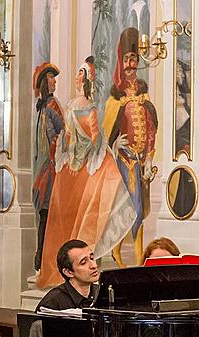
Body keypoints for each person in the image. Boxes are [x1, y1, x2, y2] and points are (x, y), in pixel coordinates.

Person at [36, 58, 135, 289]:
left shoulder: (75, 105)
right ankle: (83, 264)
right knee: (89, 207)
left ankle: (85, 265)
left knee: (85, 212)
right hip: (81, 166)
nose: (78, 77)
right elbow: (92, 138)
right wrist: (99, 150)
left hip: (74, 166)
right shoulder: (83, 106)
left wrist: (75, 154)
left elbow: (77, 137)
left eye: (81, 73)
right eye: (78, 73)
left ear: (86, 79)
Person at [103, 27, 158, 265]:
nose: (130, 64)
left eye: (134, 59)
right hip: (125, 159)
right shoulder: (116, 98)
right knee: (130, 207)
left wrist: (150, 157)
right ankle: (125, 252)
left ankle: (135, 254)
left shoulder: (144, 96)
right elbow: (107, 133)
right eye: (126, 60)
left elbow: (152, 127)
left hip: (141, 160)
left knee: (140, 208)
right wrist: (115, 145)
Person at [31, 62, 64, 280]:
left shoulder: (51, 106)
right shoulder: (45, 105)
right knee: (44, 213)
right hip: (45, 168)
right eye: (51, 78)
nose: (54, 81)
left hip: (51, 167)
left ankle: (43, 257)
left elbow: (62, 135)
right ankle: (41, 257)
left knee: (47, 213)